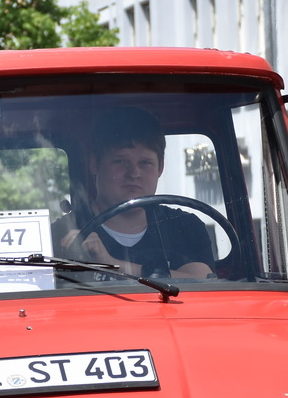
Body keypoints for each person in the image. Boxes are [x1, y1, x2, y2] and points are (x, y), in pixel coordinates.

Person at [56, 107, 215, 282]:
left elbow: (202, 280)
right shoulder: (62, 233)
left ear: (160, 168)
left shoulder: (185, 227)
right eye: (120, 161)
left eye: (145, 163)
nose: (134, 173)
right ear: (94, 163)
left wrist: (110, 264)